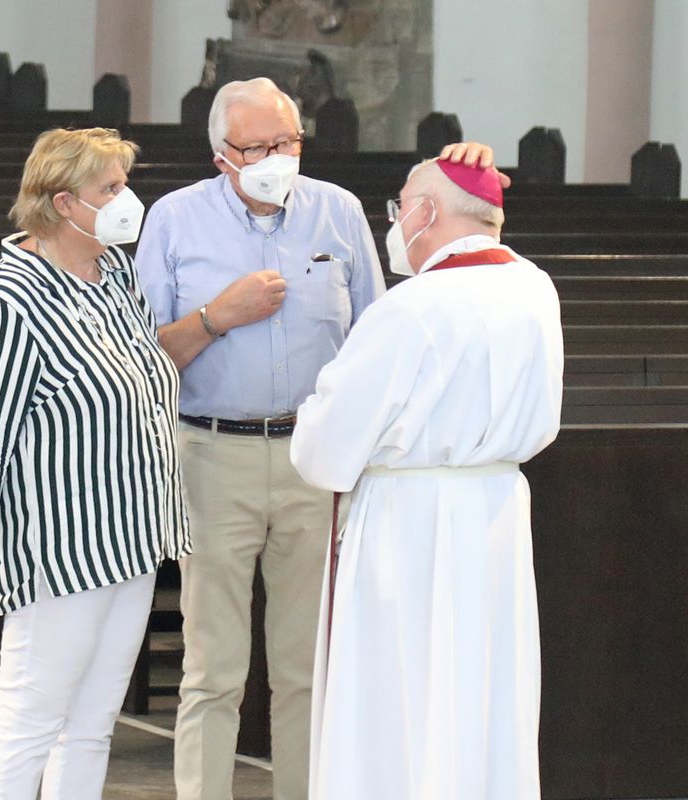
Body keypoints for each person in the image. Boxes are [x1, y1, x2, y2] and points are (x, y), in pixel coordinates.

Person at [134, 75, 497, 800]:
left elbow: (379, 335)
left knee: (306, 666)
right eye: (260, 146)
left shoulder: (335, 212)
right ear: (223, 158)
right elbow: (142, 357)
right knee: (214, 667)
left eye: (288, 141)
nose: (278, 155)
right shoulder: (173, 221)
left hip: (315, 460)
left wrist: (473, 180)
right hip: (212, 453)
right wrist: (218, 316)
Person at [289, 157, 564, 800]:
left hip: (407, 524)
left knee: (401, 691)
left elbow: (323, 449)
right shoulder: (535, 288)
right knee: (481, 686)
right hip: (495, 510)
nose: (396, 219)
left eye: (403, 203)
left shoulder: (410, 308)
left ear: (429, 213)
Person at [0, 127, 190, 800]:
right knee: (32, 717)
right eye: (108, 189)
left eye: (123, 185)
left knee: (92, 722)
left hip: (133, 536)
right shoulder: (7, 304)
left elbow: (146, 381)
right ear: (61, 202)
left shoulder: (114, 275)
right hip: (59, 546)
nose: (124, 200)